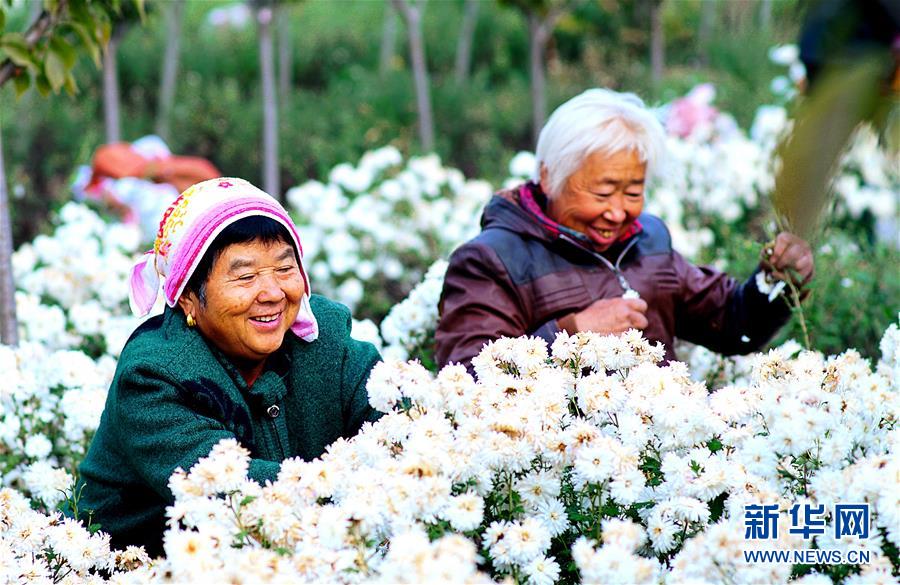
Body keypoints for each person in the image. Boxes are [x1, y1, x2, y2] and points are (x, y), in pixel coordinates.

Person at [76, 178, 381, 556]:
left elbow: (392, 423)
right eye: (245, 276)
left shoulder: (328, 339)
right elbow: (231, 490)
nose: (272, 293)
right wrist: (361, 484)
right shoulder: (154, 376)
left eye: (285, 269)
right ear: (188, 296)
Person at [434, 89, 815, 369]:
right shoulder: (492, 259)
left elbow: (732, 324)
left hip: (658, 456)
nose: (617, 213)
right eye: (602, 192)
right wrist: (570, 334)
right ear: (549, 178)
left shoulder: (648, 241)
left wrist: (773, 281)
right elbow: (465, 377)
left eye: (633, 192)